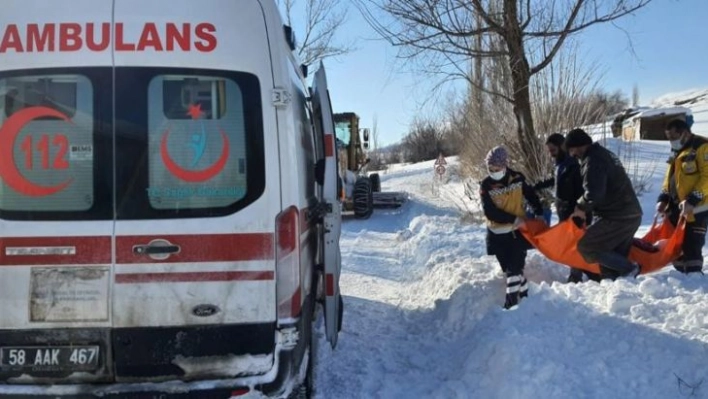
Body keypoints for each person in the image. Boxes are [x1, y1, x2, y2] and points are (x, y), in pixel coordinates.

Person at [565, 128, 643, 279]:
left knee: (586, 246)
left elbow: (594, 193)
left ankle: (630, 268)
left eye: (572, 150)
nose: (571, 155)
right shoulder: (604, 154)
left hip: (618, 217)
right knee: (611, 267)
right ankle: (620, 293)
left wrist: (580, 207)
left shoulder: (593, 161)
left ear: (580, 146)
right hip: (630, 214)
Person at [479, 146, 545, 310]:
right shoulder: (486, 185)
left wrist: (539, 212)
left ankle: (510, 306)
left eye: (496, 168)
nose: (493, 171)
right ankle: (526, 296)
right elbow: (490, 212)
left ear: (505, 165)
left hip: (517, 234)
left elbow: (530, 195)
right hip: (497, 235)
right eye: (490, 168)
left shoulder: (517, 178)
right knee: (509, 270)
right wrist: (514, 219)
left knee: (515, 268)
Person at [534, 133, 601, 283]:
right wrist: (538, 186)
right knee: (573, 243)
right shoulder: (560, 163)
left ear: (561, 146)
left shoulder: (574, 163)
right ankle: (587, 273)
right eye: (549, 151)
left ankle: (582, 274)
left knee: (577, 244)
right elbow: (556, 180)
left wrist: (580, 209)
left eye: (553, 150)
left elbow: (583, 188)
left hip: (576, 210)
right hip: (564, 209)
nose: (551, 154)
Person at [656, 118, 708, 274]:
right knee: (677, 246)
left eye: (673, 137)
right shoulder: (677, 150)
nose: (671, 141)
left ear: (684, 133)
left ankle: (694, 279)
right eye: (669, 138)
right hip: (676, 207)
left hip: (697, 208)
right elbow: (670, 176)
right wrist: (663, 198)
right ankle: (680, 276)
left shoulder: (702, 146)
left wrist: (693, 199)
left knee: (692, 245)